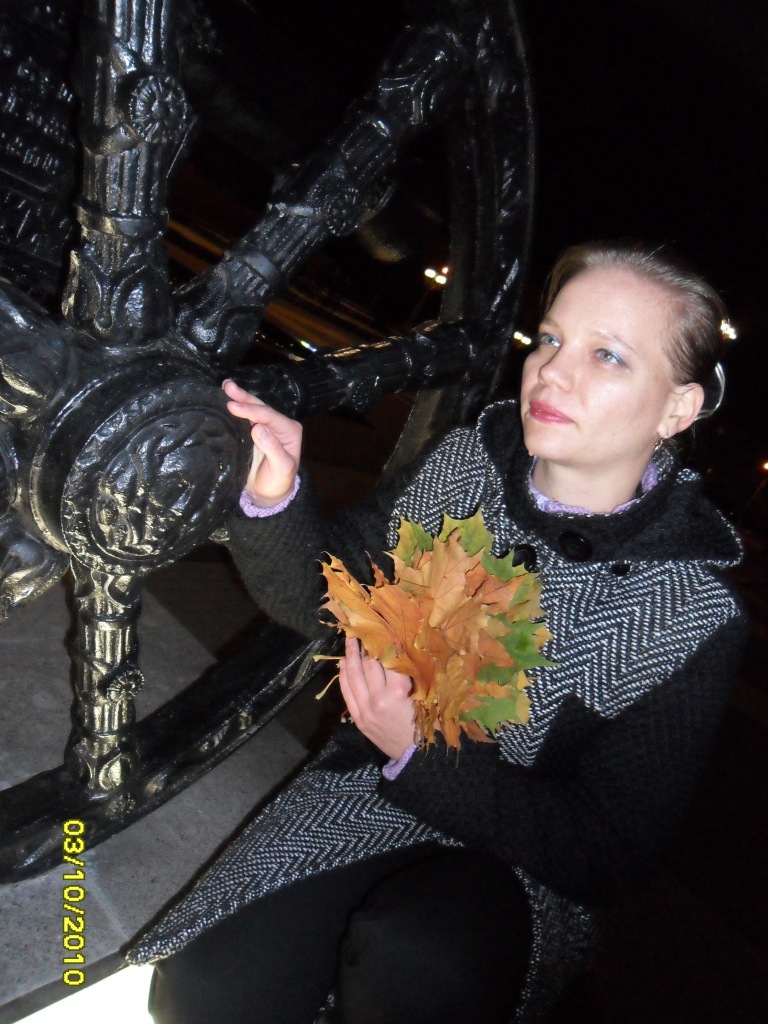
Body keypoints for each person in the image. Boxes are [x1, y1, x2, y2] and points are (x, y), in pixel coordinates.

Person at [129, 242, 747, 1024]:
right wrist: (278, 493)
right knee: (208, 994)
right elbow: (325, 598)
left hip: (515, 870)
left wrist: (423, 756)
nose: (553, 372)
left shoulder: (690, 611)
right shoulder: (464, 466)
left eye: (608, 356)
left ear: (677, 410)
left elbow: (607, 854)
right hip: (365, 798)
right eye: (550, 338)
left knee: (417, 956)